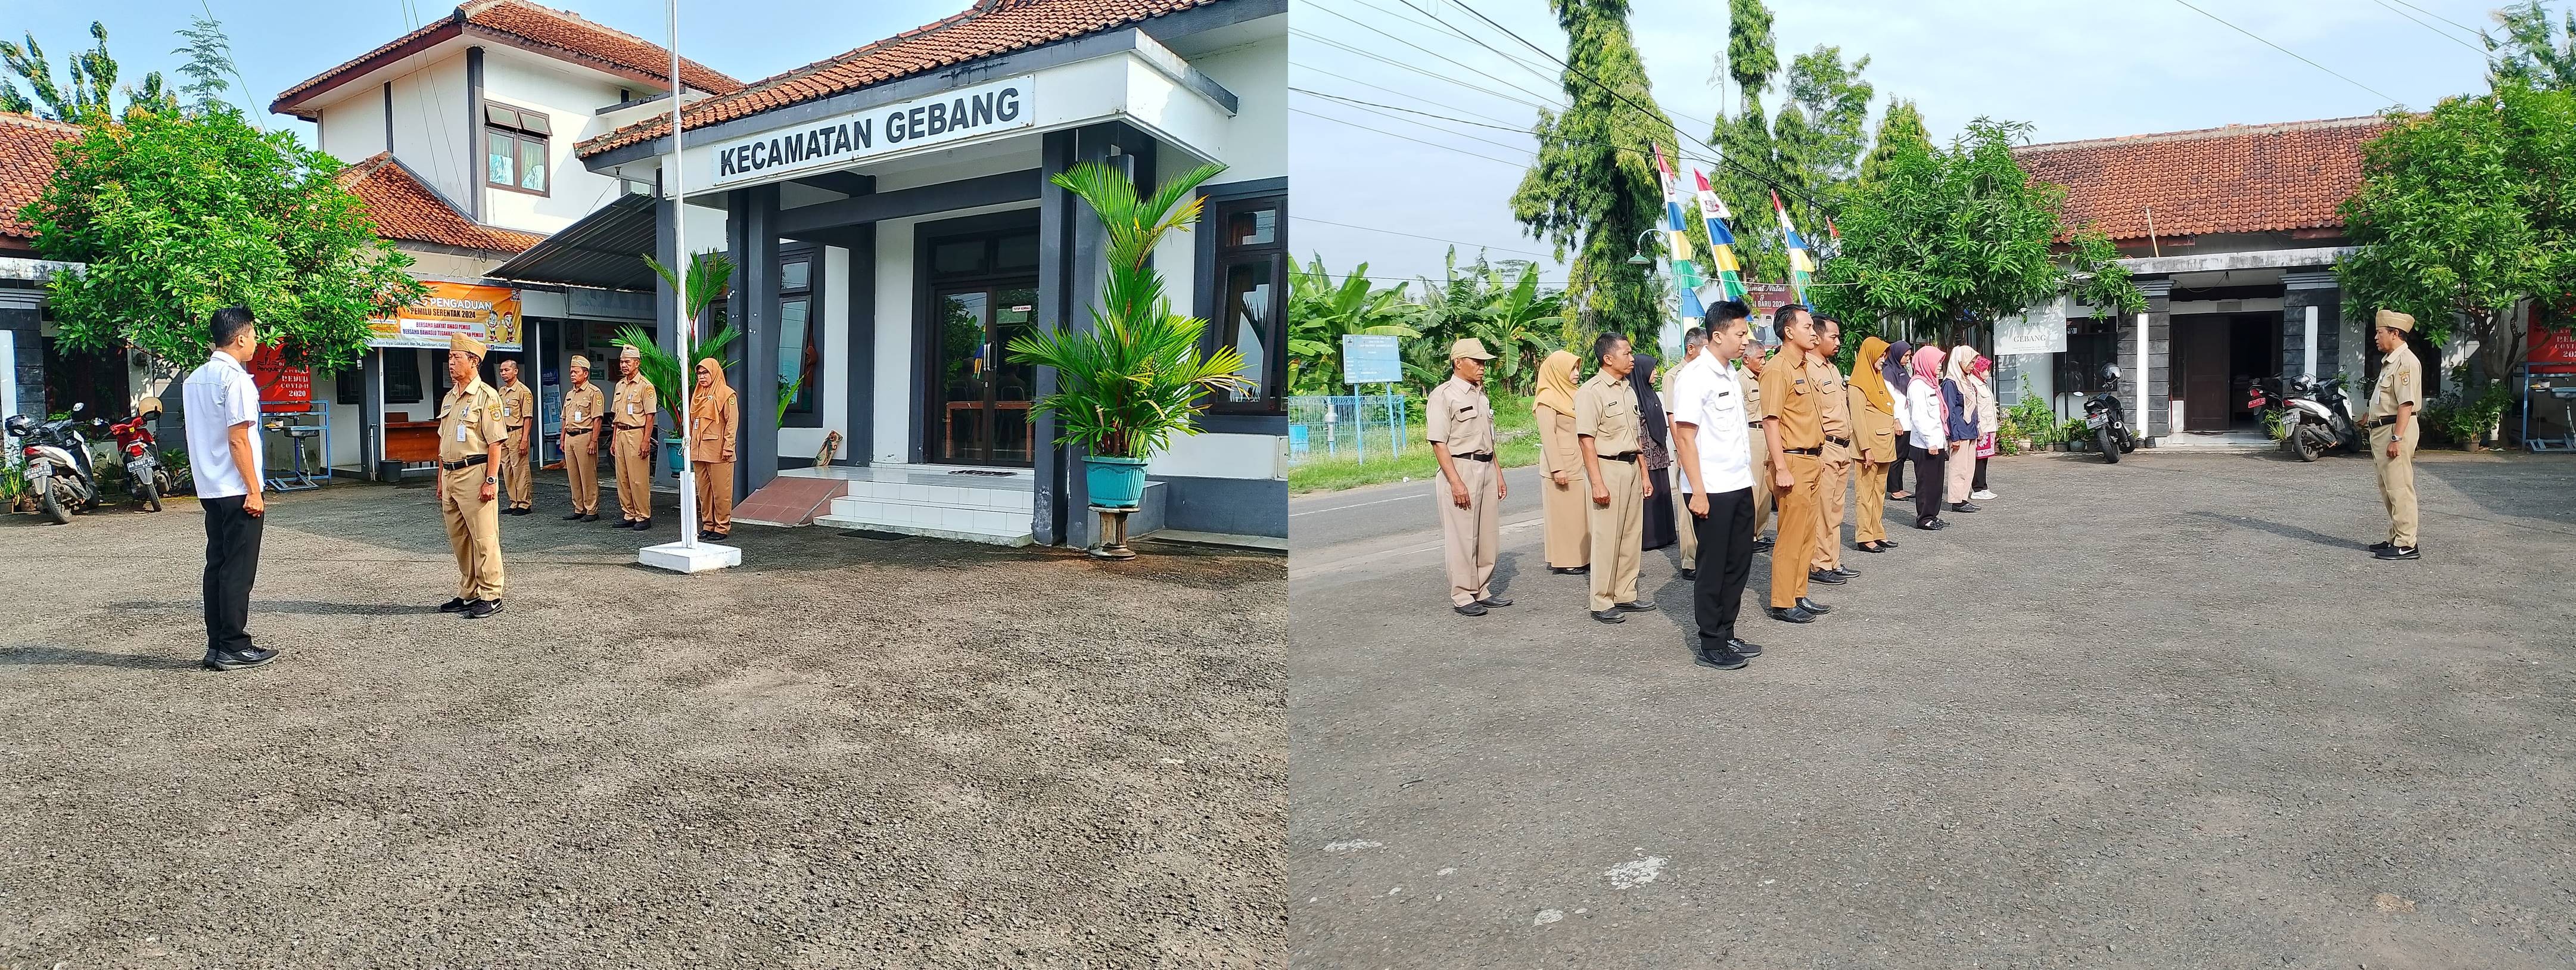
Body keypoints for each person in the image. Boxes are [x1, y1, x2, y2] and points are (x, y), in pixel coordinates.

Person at [183, 306, 275, 671]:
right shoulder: (236, 380)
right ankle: (234, 644)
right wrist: (255, 490)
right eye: (253, 335)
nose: (256, 342)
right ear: (239, 338)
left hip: (210, 486)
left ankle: (217, 643)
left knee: (218, 566)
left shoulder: (194, 379)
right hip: (237, 488)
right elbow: (239, 439)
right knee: (238, 569)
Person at [1670, 303, 1759, 669]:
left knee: (1739, 562)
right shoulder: (1695, 377)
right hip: (1711, 488)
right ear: (1718, 336)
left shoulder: (1728, 375)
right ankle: (1711, 640)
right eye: (1740, 334)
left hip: (1738, 483)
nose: (1746, 340)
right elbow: (1685, 438)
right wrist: (1699, 491)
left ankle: (1728, 630)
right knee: (1713, 565)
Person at [1759, 306, 1834, 624]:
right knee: (1790, 534)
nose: (1813, 332)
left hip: (1813, 459)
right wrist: (1781, 467)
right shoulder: (1778, 369)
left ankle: (1798, 594)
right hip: (1792, 459)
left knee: (1807, 533)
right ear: (1789, 332)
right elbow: (1771, 422)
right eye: (1806, 327)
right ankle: (1782, 600)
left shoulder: (1804, 368)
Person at [1429, 338, 1510, 615]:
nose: (1482, 367)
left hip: (1486, 466)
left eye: (1484, 362)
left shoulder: (1481, 394)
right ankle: (1463, 594)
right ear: (1458, 362)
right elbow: (1439, 443)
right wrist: (1456, 482)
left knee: (1487, 535)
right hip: (1461, 468)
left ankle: (1481, 589)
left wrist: (1498, 473)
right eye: (1477, 362)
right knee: (1462, 536)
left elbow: (1488, 440)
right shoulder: (1444, 395)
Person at [1576, 333, 1654, 624]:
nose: (1632, 358)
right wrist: (1597, 482)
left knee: (1631, 535)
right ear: (1608, 359)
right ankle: (1602, 600)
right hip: (1607, 467)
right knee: (1607, 536)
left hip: (1632, 466)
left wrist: (1645, 474)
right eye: (1626, 353)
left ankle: (1625, 593)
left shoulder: (1628, 389)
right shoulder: (1591, 392)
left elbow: (1636, 438)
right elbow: (1586, 440)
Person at [437, 334, 508, 618]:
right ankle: (469, 592)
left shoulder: (487, 397)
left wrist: (491, 480)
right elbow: (442, 439)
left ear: (474, 362)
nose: (451, 363)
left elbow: (495, 443)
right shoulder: (450, 396)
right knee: (460, 539)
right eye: (450, 358)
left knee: (484, 537)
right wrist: (440, 478)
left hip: (475, 474)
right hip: (450, 475)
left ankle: (491, 594)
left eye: (457, 358)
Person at [2365, 309, 2423, 559]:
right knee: (2388, 488)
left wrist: (2397, 438)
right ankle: (2396, 538)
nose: (2376, 338)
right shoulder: (2391, 362)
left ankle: (2408, 544)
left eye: (2380, 333)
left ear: (2395, 334)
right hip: (2382, 430)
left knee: (2400, 488)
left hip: (2394, 430)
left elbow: (2406, 404)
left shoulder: (2406, 362)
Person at [1807, 316, 1860, 586]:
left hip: (1843, 448)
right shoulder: (1810, 370)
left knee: (1836, 510)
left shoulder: (1832, 369)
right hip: (1826, 447)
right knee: (1823, 510)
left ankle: (1832, 560)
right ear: (1816, 337)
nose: (1838, 342)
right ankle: (1819, 564)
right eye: (1834, 337)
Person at [1532, 349, 1590, 576]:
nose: (1577, 373)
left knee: (1579, 514)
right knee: (1564, 515)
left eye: (1577, 368)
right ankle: (1566, 559)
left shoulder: (1575, 394)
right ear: (1557, 372)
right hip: (1562, 465)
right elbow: (1548, 437)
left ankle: (1582, 556)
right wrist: (1557, 468)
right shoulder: (1546, 399)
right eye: (1572, 369)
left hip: (1580, 462)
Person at [1847, 336, 1905, 554]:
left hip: (1885, 446)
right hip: (1869, 449)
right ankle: (1865, 537)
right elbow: (1859, 420)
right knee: (1865, 494)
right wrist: (1865, 448)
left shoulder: (1878, 379)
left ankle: (1878, 532)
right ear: (1870, 355)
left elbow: (1888, 407)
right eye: (1881, 355)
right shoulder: (1858, 384)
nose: (1883, 360)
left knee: (1879, 492)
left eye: (1885, 356)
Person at [1667, 327, 1707, 580]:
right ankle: (1690, 560)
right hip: (1686, 444)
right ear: (1691, 349)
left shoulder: (1708, 373)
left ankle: (1705, 555)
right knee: (1688, 504)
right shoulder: (1676, 375)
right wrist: (1681, 449)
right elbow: (1674, 416)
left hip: (1704, 446)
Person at [1631, 352, 1678, 554]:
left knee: (1662, 490)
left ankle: (1665, 533)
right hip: (1645, 454)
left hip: (1658, 451)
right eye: (1652, 369)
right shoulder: (1634, 395)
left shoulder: (1650, 393)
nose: (1656, 373)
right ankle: (1650, 538)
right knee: (1649, 493)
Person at [690, 357, 739, 542]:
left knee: (721, 491)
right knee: (704, 491)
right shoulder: (697, 395)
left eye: (705, 373)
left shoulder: (727, 394)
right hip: (699, 449)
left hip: (719, 451)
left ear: (715, 372)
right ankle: (708, 524)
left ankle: (722, 526)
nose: (702, 377)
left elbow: (732, 423)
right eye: (699, 374)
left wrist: (728, 447)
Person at [1736, 334, 1777, 553]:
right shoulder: (1740, 381)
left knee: (1766, 488)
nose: (1764, 362)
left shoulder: (1765, 377)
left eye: (1765, 357)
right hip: (1751, 434)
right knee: (1752, 488)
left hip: (1768, 434)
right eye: (1760, 358)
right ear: (1746, 360)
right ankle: (1747, 535)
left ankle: (1759, 532)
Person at [611, 344, 658, 530]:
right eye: (622, 362)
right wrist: (614, 440)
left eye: (627, 362)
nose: (623, 365)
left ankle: (643, 515)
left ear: (637, 363)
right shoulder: (620, 386)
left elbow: (650, 415)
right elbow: (616, 416)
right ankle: (629, 513)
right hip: (621, 433)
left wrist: (646, 440)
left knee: (638, 478)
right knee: (622, 477)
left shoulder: (645, 386)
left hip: (637, 433)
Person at [1905, 345, 1952, 530]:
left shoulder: (1932, 383)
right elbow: (1919, 417)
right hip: (1925, 445)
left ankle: (1933, 514)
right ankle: (1924, 518)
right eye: (1937, 362)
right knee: (1926, 483)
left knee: (1936, 483)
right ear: (1927, 363)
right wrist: (1930, 442)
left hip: (1936, 442)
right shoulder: (1917, 385)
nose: (1940, 365)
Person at [558, 355, 605, 521]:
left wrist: (594, 440)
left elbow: (597, 419)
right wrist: (562, 439)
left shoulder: (594, 393)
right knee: (573, 475)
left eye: (575, 372)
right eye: (571, 371)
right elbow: (565, 418)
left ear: (585, 374)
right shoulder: (570, 394)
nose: (572, 374)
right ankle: (579, 508)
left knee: (588, 475)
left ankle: (592, 509)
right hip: (570, 437)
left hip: (585, 436)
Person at [1942, 345, 1984, 514]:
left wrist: (1978, 428)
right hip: (1960, 430)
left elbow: (1974, 406)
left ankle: (1963, 498)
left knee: (1968, 467)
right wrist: (1955, 436)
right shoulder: (1951, 383)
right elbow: (1950, 410)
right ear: (1961, 360)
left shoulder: (1967, 380)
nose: (1973, 365)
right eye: (1971, 361)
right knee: (1958, 467)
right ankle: (1956, 500)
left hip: (1970, 430)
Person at [495, 358, 537, 515]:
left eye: (506, 370)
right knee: (507, 469)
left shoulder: (523, 391)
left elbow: (528, 417)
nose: (504, 373)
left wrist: (525, 439)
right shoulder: (502, 391)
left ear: (516, 371)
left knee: (520, 469)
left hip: (517, 433)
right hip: (504, 434)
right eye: (501, 371)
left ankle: (525, 503)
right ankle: (514, 501)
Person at [1882, 341, 1917, 501]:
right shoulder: (1888, 372)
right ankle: (1894, 490)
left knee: (1902, 456)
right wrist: (1895, 420)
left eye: (1909, 356)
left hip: (1907, 419)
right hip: (1899, 420)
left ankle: (1899, 488)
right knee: (1896, 456)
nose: (1907, 359)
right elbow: (1891, 398)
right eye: (1905, 355)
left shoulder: (1901, 370)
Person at [1969, 353, 2000, 502]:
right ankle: (1978, 488)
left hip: (1989, 427)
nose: (1987, 372)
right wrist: (1978, 427)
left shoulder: (1983, 384)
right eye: (1984, 369)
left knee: (1984, 458)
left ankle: (1984, 486)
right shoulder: (1973, 384)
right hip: (1982, 427)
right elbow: (1974, 408)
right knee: (1979, 459)